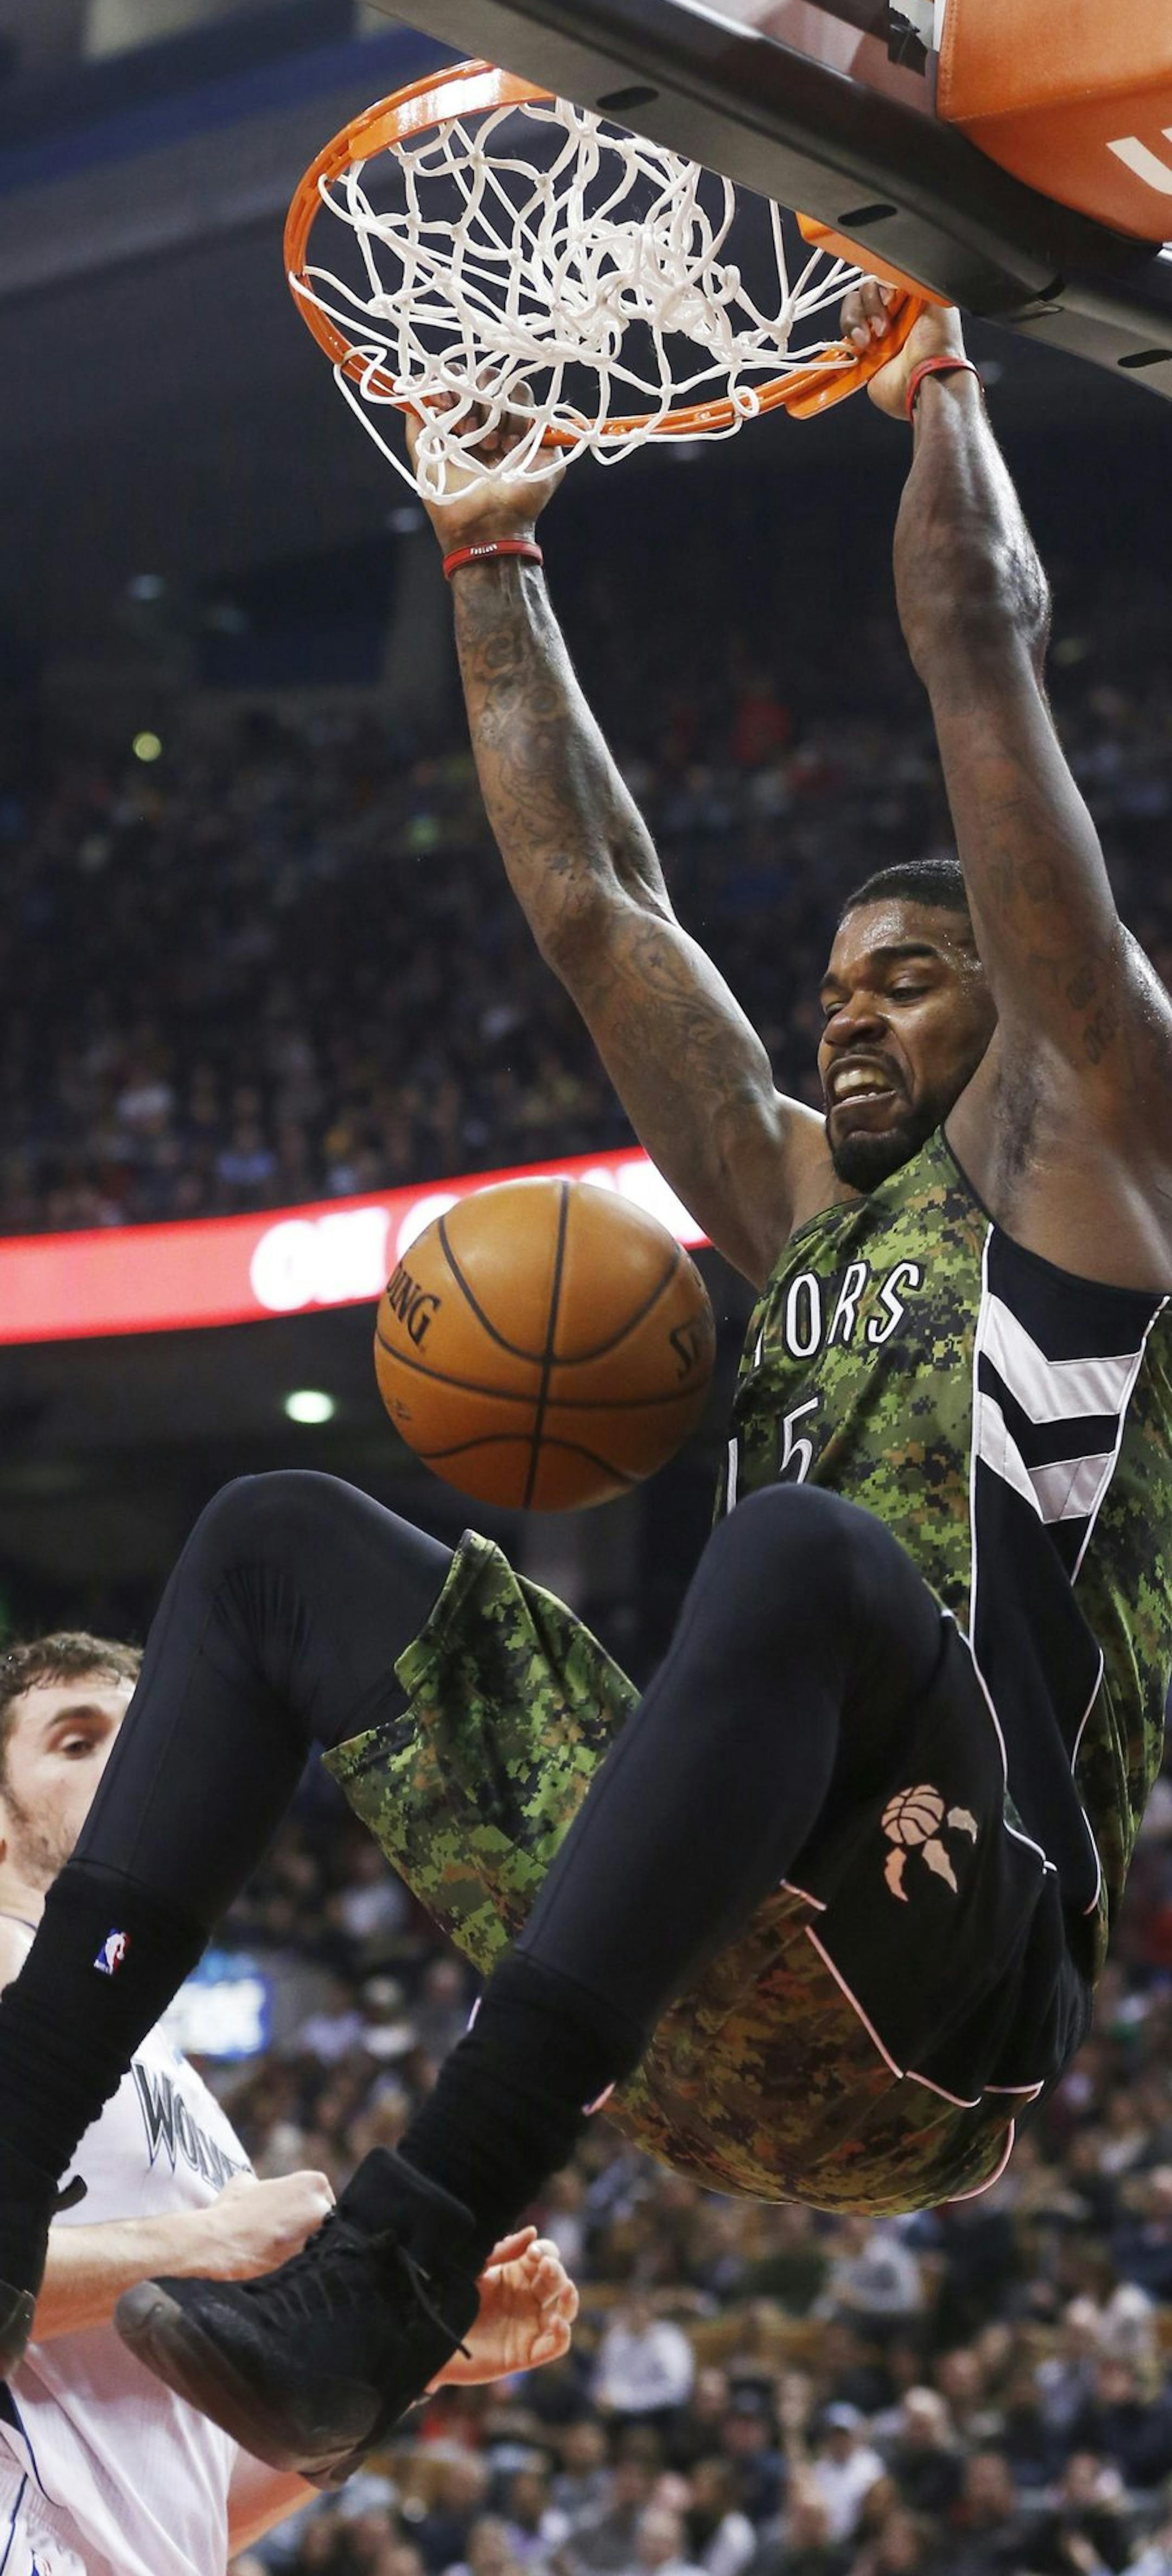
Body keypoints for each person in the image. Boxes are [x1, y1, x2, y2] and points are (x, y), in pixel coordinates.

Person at [0, 282, 1169, 2485]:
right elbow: (603, 906)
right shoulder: (799, 1201)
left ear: (1015, 1009)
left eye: (909, 978)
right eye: (832, 981)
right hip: (698, 1963)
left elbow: (986, 683)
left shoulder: (1103, 1159)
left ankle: (404, 2253)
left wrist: (946, 403)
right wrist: (490, 551)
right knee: (266, 1545)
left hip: (949, 1965)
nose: (849, 1010)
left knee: (810, 1552)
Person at [0, 1634, 577, 2574]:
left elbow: (199, 2513)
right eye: (77, 1740)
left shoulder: (169, 2070)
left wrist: (416, 2360)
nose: (128, 1761)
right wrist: (204, 2247)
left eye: (147, 1735)